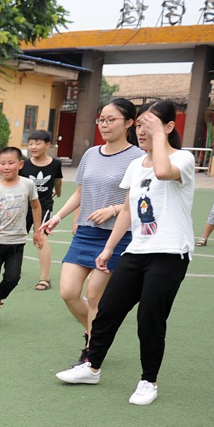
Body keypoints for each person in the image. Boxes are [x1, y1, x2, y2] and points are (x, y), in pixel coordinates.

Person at [55, 100, 195, 406]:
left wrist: (158, 138)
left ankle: (149, 381)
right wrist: (107, 249)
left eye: (149, 125)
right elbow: (129, 210)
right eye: (141, 125)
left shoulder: (183, 159)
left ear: (169, 127)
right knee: (107, 310)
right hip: (136, 249)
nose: (142, 131)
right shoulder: (135, 166)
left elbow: (162, 170)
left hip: (170, 253)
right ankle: (91, 366)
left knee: (149, 319)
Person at [40, 99, 144, 363]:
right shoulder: (91, 154)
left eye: (111, 120)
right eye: (101, 120)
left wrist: (113, 209)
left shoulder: (139, 158)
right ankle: (95, 333)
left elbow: (142, 198)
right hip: (86, 232)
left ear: (129, 123)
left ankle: (91, 352)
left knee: (95, 295)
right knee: (68, 292)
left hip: (117, 236)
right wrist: (59, 217)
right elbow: (81, 192)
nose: (104, 125)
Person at [0, 147, 43, 329]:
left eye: (11, 163)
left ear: (20, 164)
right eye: (2, 163)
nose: (6, 167)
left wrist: (38, 231)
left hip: (16, 242)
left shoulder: (28, 185)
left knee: (13, 278)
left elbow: (36, 207)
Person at [19, 129, 63, 290]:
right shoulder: (24, 164)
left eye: (37, 143)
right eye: (30, 143)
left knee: (41, 237)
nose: (33, 147)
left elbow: (58, 181)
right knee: (17, 238)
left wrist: (58, 192)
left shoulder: (55, 164)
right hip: (23, 208)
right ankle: (13, 269)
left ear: (47, 145)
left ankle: (45, 278)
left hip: (43, 208)